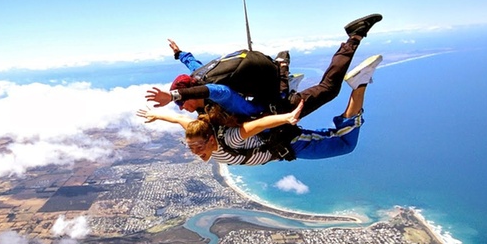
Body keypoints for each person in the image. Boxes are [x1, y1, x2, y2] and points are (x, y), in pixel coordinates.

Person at [136, 51, 383, 166]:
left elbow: (255, 126)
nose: (194, 151)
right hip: (274, 125)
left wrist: (286, 118)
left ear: (211, 139)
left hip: (286, 141)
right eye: (191, 147)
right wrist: (157, 114)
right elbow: (180, 120)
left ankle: (359, 84)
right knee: (282, 96)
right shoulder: (201, 122)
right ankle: (284, 75)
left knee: (344, 145)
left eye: (197, 147)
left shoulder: (227, 138)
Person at [145, 14, 382, 122]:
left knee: (329, 89)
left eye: (183, 105)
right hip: (262, 69)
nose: (184, 108)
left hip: (277, 104)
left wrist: (175, 95)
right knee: (277, 88)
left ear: (191, 92)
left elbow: (219, 93)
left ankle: (355, 36)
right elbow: (192, 64)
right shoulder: (199, 75)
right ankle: (282, 69)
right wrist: (180, 54)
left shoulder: (210, 88)